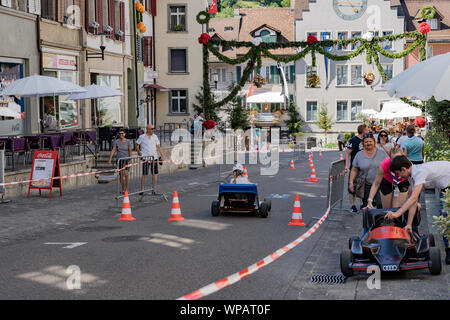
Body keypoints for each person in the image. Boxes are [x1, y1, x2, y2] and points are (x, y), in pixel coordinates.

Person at [386, 155, 450, 264]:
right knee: (445, 218)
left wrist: (397, 214)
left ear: (404, 169)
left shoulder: (419, 172)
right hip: (445, 187)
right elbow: (413, 201)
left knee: (445, 217)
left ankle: (449, 253)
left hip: (447, 187)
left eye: (398, 173)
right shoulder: (413, 175)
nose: (400, 177)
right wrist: (409, 224)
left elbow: (414, 198)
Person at [348, 133, 387, 209]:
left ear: (374, 142)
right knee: (367, 206)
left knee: (380, 204)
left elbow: (388, 166)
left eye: (370, 141)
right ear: (363, 143)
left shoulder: (382, 153)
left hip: (381, 184)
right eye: (366, 142)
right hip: (366, 185)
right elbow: (354, 169)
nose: (368, 143)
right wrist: (351, 182)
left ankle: (379, 220)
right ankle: (369, 220)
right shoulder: (359, 155)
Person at [367, 144, 409, 209]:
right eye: (393, 160)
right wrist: (370, 200)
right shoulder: (385, 164)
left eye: (398, 159)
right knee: (387, 210)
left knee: (396, 209)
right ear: (390, 158)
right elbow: (376, 183)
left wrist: (414, 198)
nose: (396, 163)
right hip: (387, 182)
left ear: (402, 157)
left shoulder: (408, 163)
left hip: (401, 182)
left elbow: (413, 182)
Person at [345, 124, 369, 213]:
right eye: (367, 129)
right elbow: (347, 153)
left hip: (364, 168)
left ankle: (362, 204)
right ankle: (352, 205)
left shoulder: (366, 140)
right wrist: (346, 166)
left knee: (362, 186)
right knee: (352, 187)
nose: (369, 130)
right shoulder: (354, 140)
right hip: (355, 168)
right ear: (363, 130)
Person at [135, 125, 165, 195]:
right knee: (144, 174)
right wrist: (139, 152)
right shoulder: (142, 137)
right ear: (147, 129)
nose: (153, 130)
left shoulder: (155, 136)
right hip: (145, 158)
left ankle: (154, 190)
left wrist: (162, 156)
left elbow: (159, 147)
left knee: (155, 174)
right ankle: (142, 190)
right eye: (151, 129)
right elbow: (136, 144)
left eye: (153, 129)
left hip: (154, 157)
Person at [108, 129, 133, 194]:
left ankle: (126, 188)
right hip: (119, 159)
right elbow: (113, 150)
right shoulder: (116, 141)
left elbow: (130, 150)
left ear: (124, 134)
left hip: (126, 159)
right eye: (120, 134)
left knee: (126, 174)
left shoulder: (128, 141)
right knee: (121, 175)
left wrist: (130, 159)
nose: (121, 135)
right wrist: (110, 159)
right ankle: (123, 189)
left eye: (122, 133)